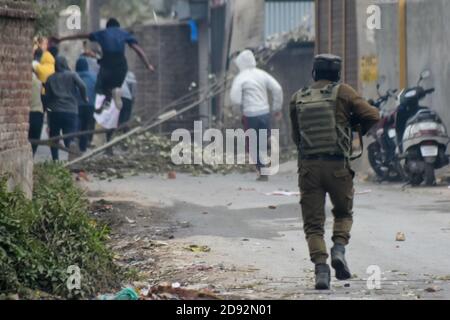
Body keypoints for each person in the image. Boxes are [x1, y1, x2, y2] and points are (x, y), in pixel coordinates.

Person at [289, 54, 380, 290]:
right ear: (338, 74)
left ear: (314, 73)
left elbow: (296, 138)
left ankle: (321, 271)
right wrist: (354, 130)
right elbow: (373, 115)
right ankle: (338, 249)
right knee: (343, 213)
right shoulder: (344, 92)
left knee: (313, 225)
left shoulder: (298, 98)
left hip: (309, 168)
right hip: (338, 166)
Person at [53, 18, 154, 112]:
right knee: (116, 83)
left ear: (107, 27)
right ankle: (115, 91)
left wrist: (61, 39)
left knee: (103, 83)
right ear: (118, 26)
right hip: (120, 63)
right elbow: (138, 50)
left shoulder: (102, 33)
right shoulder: (124, 33)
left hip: (107, 63)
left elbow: (81, 35)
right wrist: (147, 64)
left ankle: (108, 99)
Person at [230, 49, 283, 181]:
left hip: (250, 115)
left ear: (240, 63)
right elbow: (277, 89)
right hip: (265, 113)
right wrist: (277, 108)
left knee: (252, 144)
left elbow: (235, 98)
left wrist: (238, 111)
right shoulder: (262, 74)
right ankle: (269, 141)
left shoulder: (240, 77)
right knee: (263, 139)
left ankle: (263, 171)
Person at [45, 56, 88, 161]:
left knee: (54, 137)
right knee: (69, 136)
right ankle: (71, 159)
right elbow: (82, 86)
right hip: (70, 111)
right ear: (65, 64)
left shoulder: (50, 78)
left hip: (55, 111)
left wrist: (48, 108)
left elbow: (47, 96)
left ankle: (55, 160)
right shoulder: (72, 75)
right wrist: (84, 97)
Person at [75, 58, 97, 153]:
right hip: (90, 105)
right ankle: (82, 147)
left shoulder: (74, 76)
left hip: (77, 104)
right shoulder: (94, 77)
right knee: (85, 126)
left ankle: (74, 144)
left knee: (77, 125)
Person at [29, 72, 44, 156]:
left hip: (26, 114)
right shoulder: (39, 83)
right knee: (35, 139)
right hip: (38, 113)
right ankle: (32, 156)